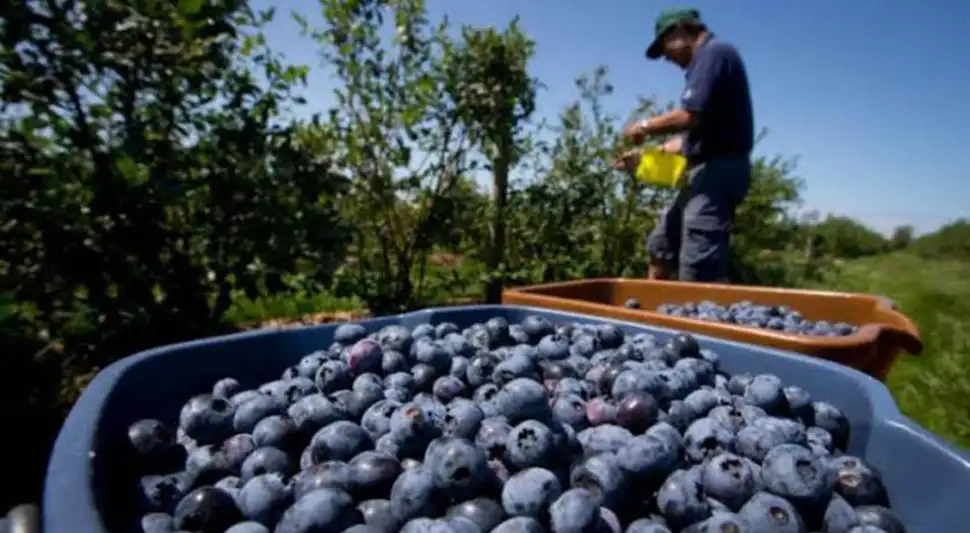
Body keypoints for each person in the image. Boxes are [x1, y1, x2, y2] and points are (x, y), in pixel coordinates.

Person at [615, 7, 754, 283]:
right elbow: (691, 139)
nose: (667, 58)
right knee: (661, 246)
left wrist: (643, 127)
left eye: (665, 49)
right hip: (706, 171)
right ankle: (654, 316)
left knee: (699, 266)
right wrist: (644, 158)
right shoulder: (707, 61)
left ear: (679, 32)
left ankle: (698, 319)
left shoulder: (715, 53)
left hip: (718, 172)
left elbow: (689, 117)